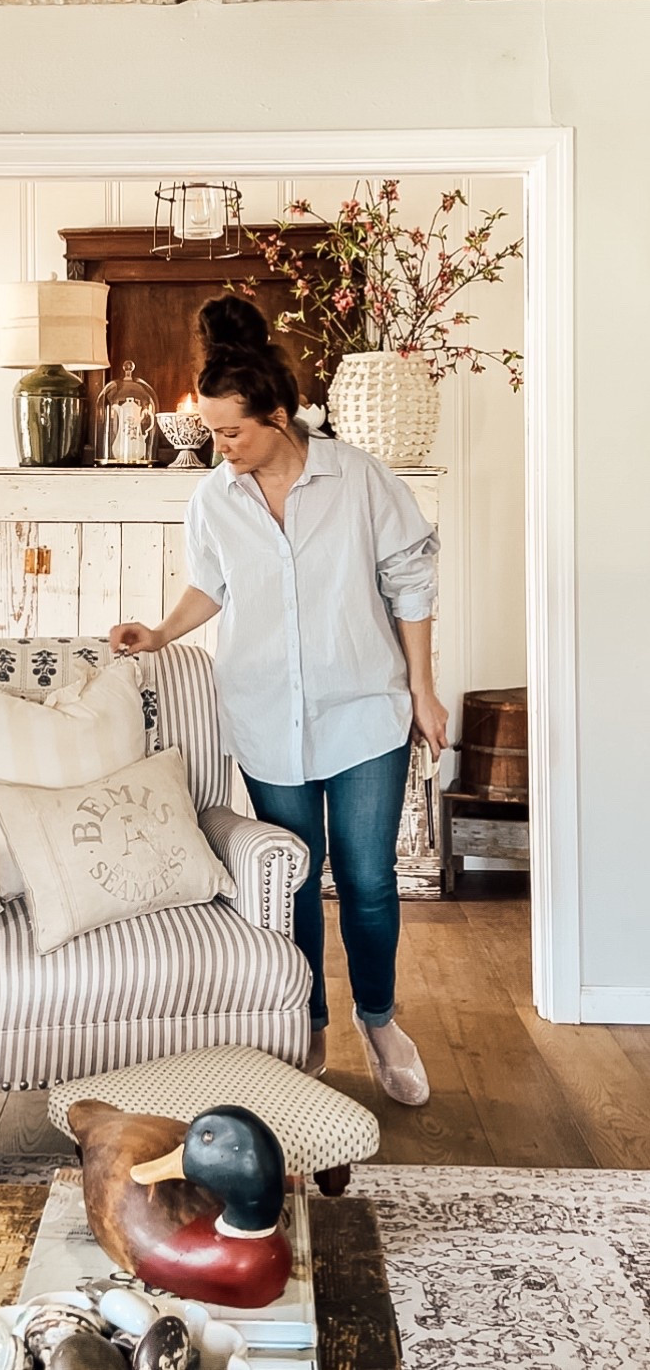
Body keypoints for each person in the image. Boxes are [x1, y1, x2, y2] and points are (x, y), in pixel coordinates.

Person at [109, 296, 448, 1104]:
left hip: (365, 709)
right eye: (214, 432)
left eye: (232, 432)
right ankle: (309, 1020)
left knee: (368, 879)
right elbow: (212, 585)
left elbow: (411, 581)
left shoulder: (360, 479)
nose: (219, 447)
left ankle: (379, 1018)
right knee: (291, 878)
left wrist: (423, 690)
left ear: (278, 415)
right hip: (265, 712)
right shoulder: (214, 499)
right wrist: (160, 631)